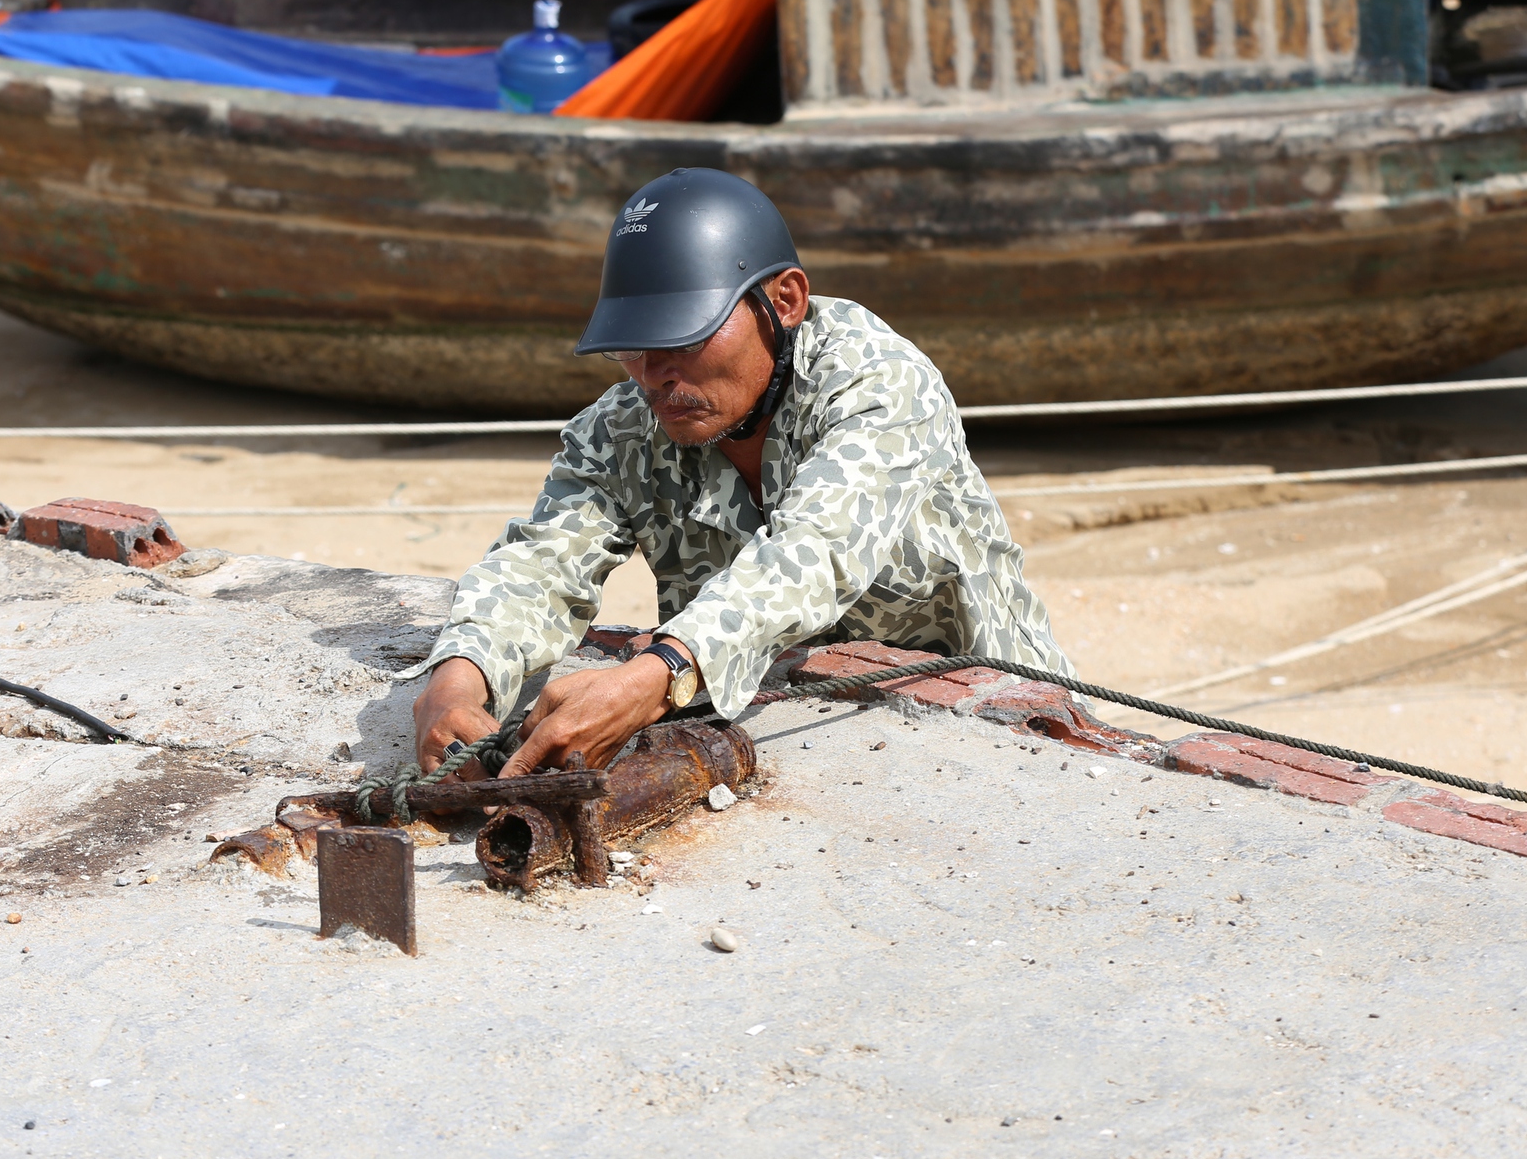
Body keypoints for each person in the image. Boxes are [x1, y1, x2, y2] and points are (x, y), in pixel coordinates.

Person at [404, 167, 1071, 779]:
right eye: (633, 348)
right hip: (777, 725)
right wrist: (456, 684)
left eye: (685, 338)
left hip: (992, 729)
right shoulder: (626, 427)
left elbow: (813, 553)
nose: (655, 376)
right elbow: (540, 567)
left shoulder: (879, 385)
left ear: (783, 301)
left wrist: (660, 673)